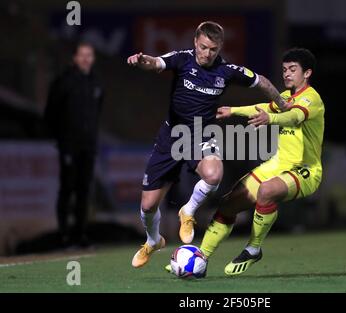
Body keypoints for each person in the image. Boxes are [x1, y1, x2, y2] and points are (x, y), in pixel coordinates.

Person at [126, 21, 288, 268]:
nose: (207, 53)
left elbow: (262, 81)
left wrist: (282, 104)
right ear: (195, 43)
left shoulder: (227, 71)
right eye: (203, 47)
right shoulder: (182, 59)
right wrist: (142, 60)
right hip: (172, 137)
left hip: (202, 135)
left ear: (220, 47)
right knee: (148, 207)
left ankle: (187, 212)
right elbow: (156, 62)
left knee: (214, 175)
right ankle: (153, 240)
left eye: (213, 49)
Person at [175, 47, 325, 276]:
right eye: (284, 70)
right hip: (278, 164)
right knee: (229, 203)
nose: (286, 74)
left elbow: (294, 117)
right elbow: (265, 107)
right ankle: (200, 258)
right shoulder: (285, 96)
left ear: (307, 73)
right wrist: (233, 110)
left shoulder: (311, 98)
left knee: (266, 190)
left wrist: (271, 118)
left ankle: (253, 249)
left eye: (293, 70)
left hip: (305, 170)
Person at [44, 42, 104, 247]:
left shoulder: (96, 83)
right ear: (75, 58)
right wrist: (60, 140)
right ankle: (63, 235)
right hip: (69, 146)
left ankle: (80, 234)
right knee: (67, 188)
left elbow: (97, 112)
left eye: (90, 55)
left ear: (93, 58)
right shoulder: (64, 81)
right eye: (82, 55)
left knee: (84, 190)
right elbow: (51, 112)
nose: (86, 58)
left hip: (89, 145)